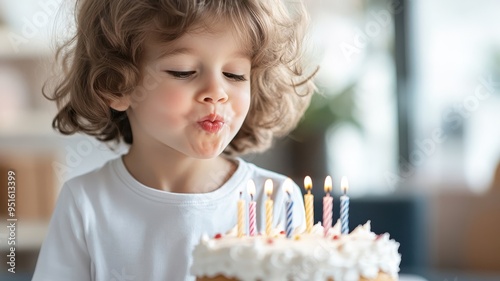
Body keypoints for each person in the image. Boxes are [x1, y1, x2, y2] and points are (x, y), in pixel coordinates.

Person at [33, 0, 316, 280]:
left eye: (235, 74)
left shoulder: (277, 200)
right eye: (183, 71)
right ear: (115, 84)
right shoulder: (86, 203)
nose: (217, 92)